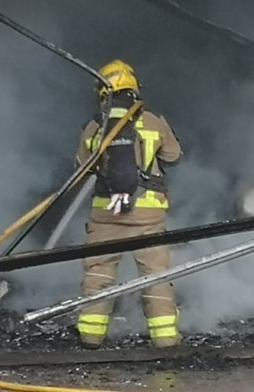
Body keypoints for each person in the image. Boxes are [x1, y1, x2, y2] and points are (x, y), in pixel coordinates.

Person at [73, 59, 183, 349]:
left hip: (106, 214)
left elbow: (82, 167)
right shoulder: (153, 120)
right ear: (134, 88)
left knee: (99, 271)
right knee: (156, 274)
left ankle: (91, 336)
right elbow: (173, 156)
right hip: (147, 214)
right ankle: (165, 338)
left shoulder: (94, 125)